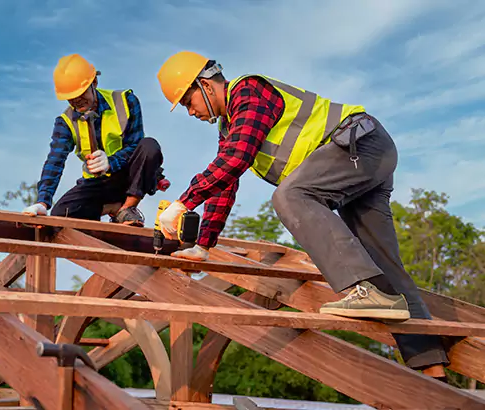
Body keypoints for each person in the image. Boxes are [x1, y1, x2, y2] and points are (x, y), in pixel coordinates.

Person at [154, 50, 449, 380]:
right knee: (382, 265)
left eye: (187, 102)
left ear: (205, 85)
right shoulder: (229, 129)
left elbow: (236, 159)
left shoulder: (248, 92)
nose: (190, 112)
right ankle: (432, 369)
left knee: (290, 195)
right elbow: (226, 182)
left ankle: (361, 289)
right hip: (363, 155)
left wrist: (184, 202)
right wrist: (203, 245)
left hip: (358, 146)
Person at [22, 53, 167, 226]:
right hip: (97, 183)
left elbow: (136, 145)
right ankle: (111, 208)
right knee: (61, 214)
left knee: (149, 146)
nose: (77, 100)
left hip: (129, 178)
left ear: (94, 83)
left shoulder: (126, 101)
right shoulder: (65, 122)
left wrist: (110, 162)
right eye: (71, 97)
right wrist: (43, 202)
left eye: (81, 93)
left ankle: (127, 209)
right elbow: (55, 161)